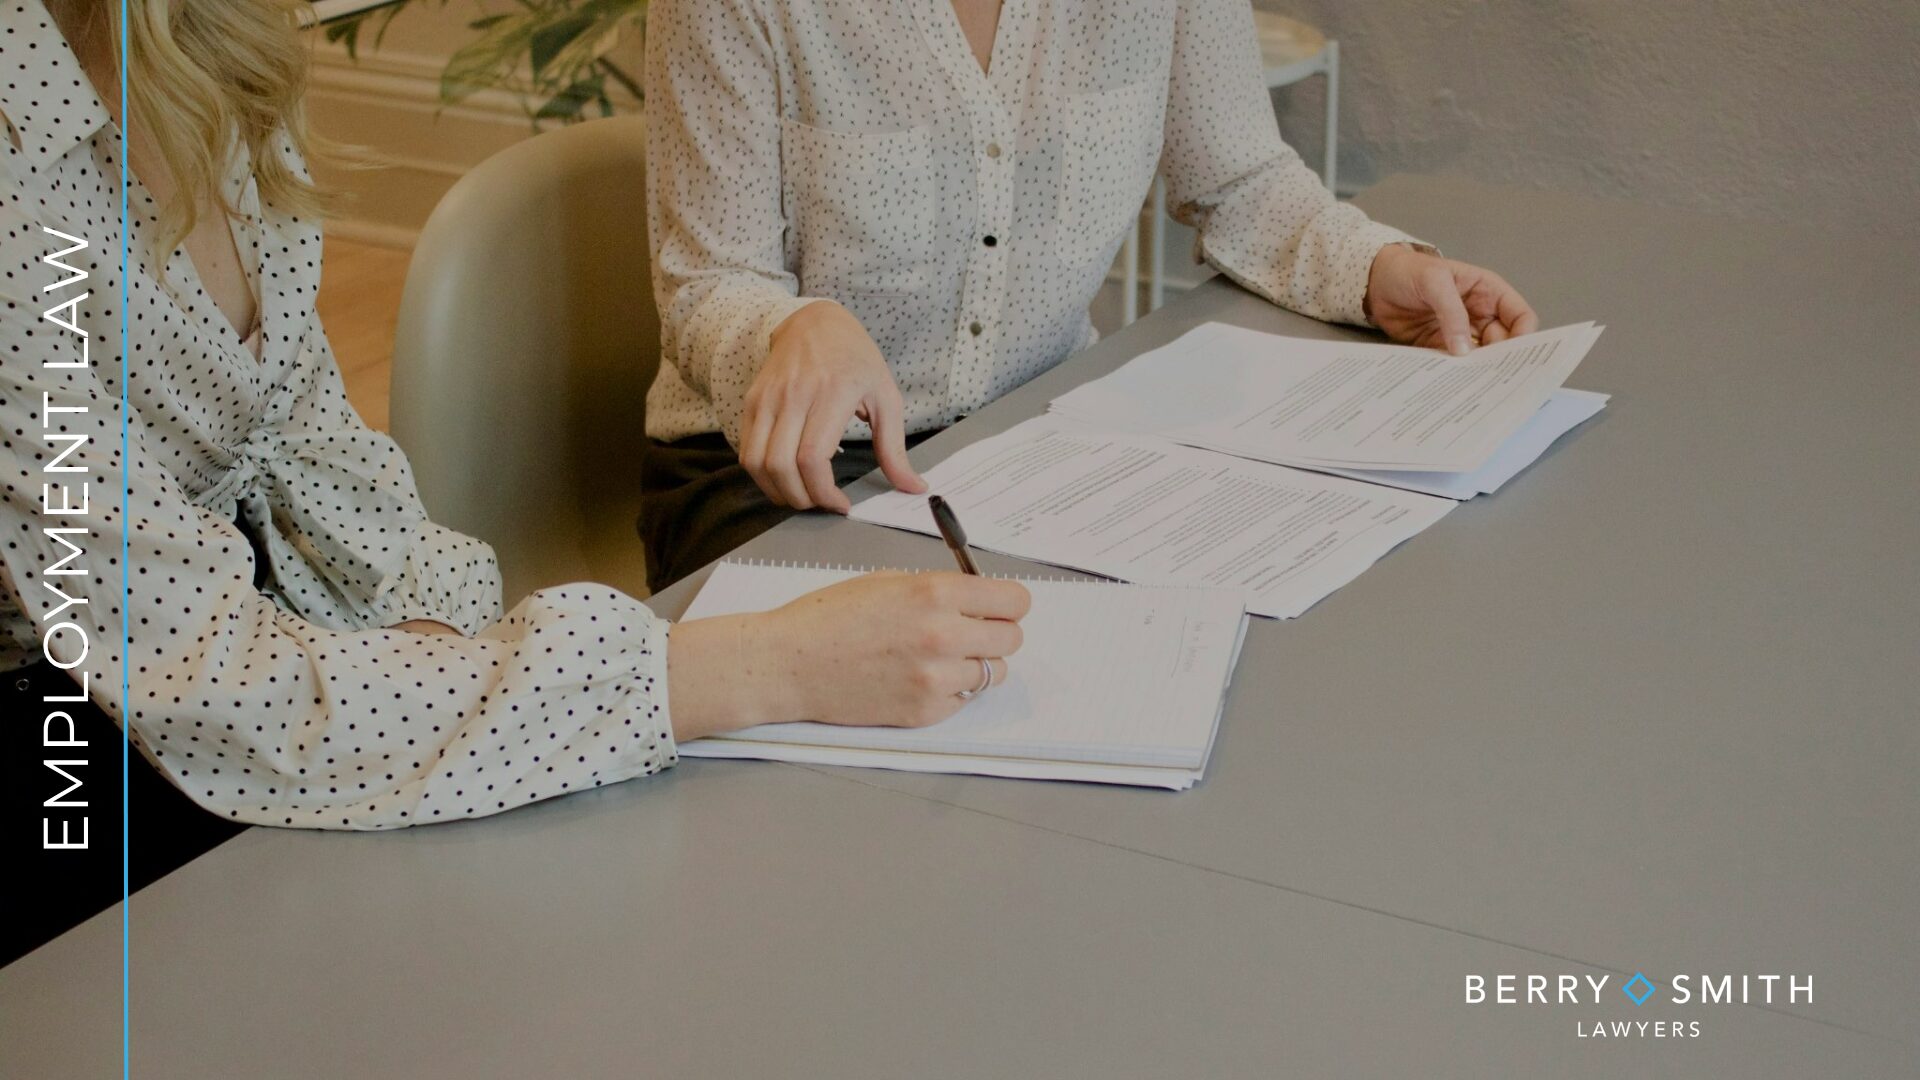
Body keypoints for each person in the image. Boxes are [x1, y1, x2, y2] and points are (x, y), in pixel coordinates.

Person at [0, 0, 1028, 964]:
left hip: (247, 671)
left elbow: (311, 451)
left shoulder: (210, 57)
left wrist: (437, 637)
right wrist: (763, 669)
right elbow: (216, 686)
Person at [640, 0, 1540, 590]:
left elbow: (1238, 178)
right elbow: (708, 281)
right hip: (779, 475)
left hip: (1033, 445)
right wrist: (792, 328)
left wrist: (1377, 268)